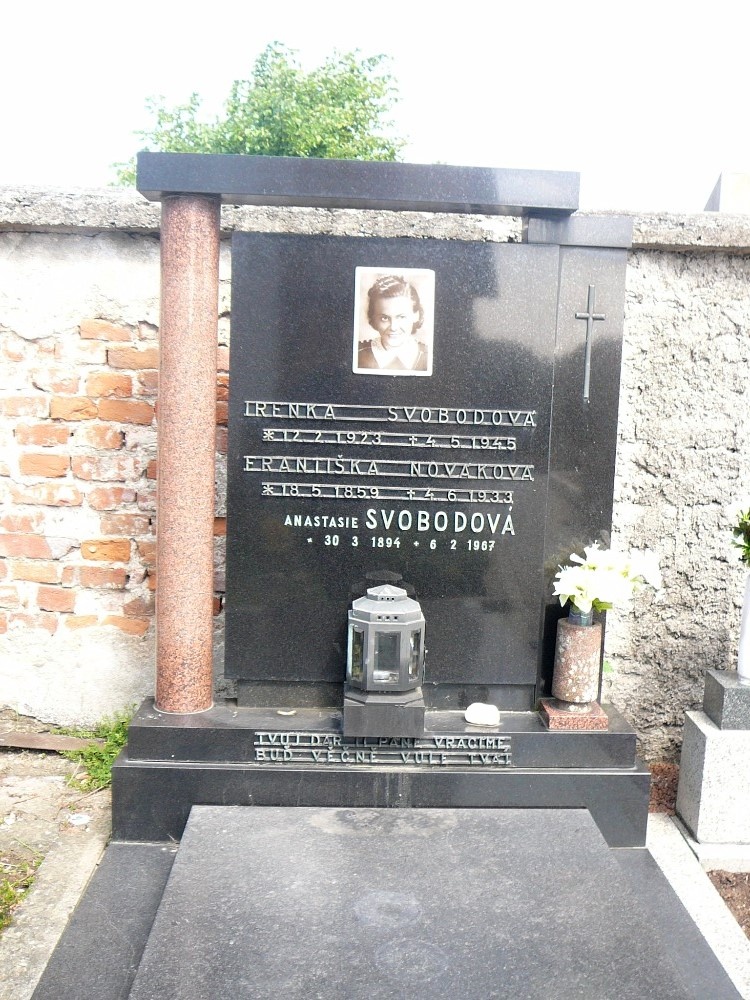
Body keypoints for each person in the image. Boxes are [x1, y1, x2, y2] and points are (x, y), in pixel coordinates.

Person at [357, 274, 429, 372]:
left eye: (401, 317)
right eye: (385, 318)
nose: (393, 327)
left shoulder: (428, 356)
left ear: (416, 315)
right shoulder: (358, 353)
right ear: (374, 318)